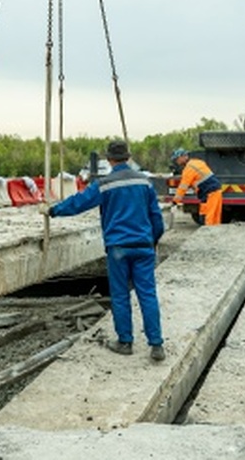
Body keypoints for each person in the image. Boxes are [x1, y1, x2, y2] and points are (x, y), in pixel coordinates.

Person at [41, 140, 167, 361]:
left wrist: (52, 210)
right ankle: (156, 345)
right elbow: (156, 217)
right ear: (128, 157)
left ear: (109, 160)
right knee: (148, 295)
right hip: (143, 247)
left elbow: (79, 203)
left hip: (118, 247)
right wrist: (153, 240)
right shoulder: (144, 182)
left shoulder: (105, 184)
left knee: (119, 296)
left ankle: (125, 342)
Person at [171, 148, 224, 226]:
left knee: (208, 220)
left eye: (177, 159)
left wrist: (175, 201)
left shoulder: (189, 169)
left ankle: (208, 236)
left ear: (183, 157)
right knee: (214, 219)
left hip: (210, 194)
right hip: (212, 193)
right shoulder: (197, 162)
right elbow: (199, 180)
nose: (177, 162)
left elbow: (182, 188)